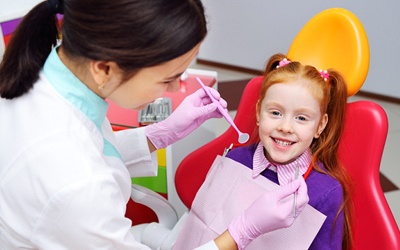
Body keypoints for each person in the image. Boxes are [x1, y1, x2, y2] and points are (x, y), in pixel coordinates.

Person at [0, 1, 309, 249]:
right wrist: (241, 232)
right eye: (168, 78)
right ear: (105, 68)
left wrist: (162, 133)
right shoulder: (73, 184)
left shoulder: (48, 77)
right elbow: (78, 168)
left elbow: (89, 147)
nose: (176, 90)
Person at [225, 53, 354, 249]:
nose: (285, 127)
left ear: (320, 125)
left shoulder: (326, 192)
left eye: (301, 118)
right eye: (276, 113)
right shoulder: (234, 160)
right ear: (259, 112)